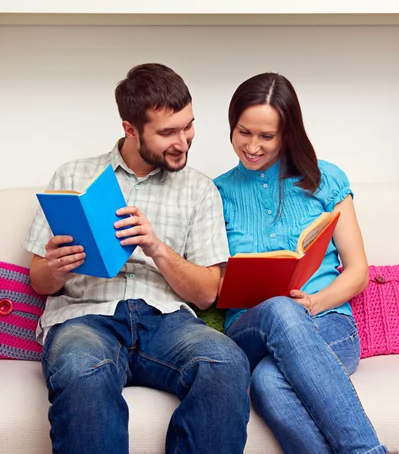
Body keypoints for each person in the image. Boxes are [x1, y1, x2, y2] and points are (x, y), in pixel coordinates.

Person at [26, 63, 250, 454]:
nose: (182, 141)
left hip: (167, 321)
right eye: (167, 132)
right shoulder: (73, 176)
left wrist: (157, 248)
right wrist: (55, 267)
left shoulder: (198, 189)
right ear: (130, 129)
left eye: (188, 126)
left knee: (225, 363)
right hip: (84, 317)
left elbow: (208, 294)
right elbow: (38, 281)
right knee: (82, 369)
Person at [214, 72, 388, 454]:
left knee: (268, 384)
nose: (253, 146)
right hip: (250, 330)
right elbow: (209, 281)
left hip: (328, 323)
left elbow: (358, 272)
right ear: (232, 126)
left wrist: (314, 303)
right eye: (244, 132)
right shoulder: (217, 193)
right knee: (278, 309)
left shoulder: (325, 179)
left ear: (287, 134)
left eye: (267, 137)